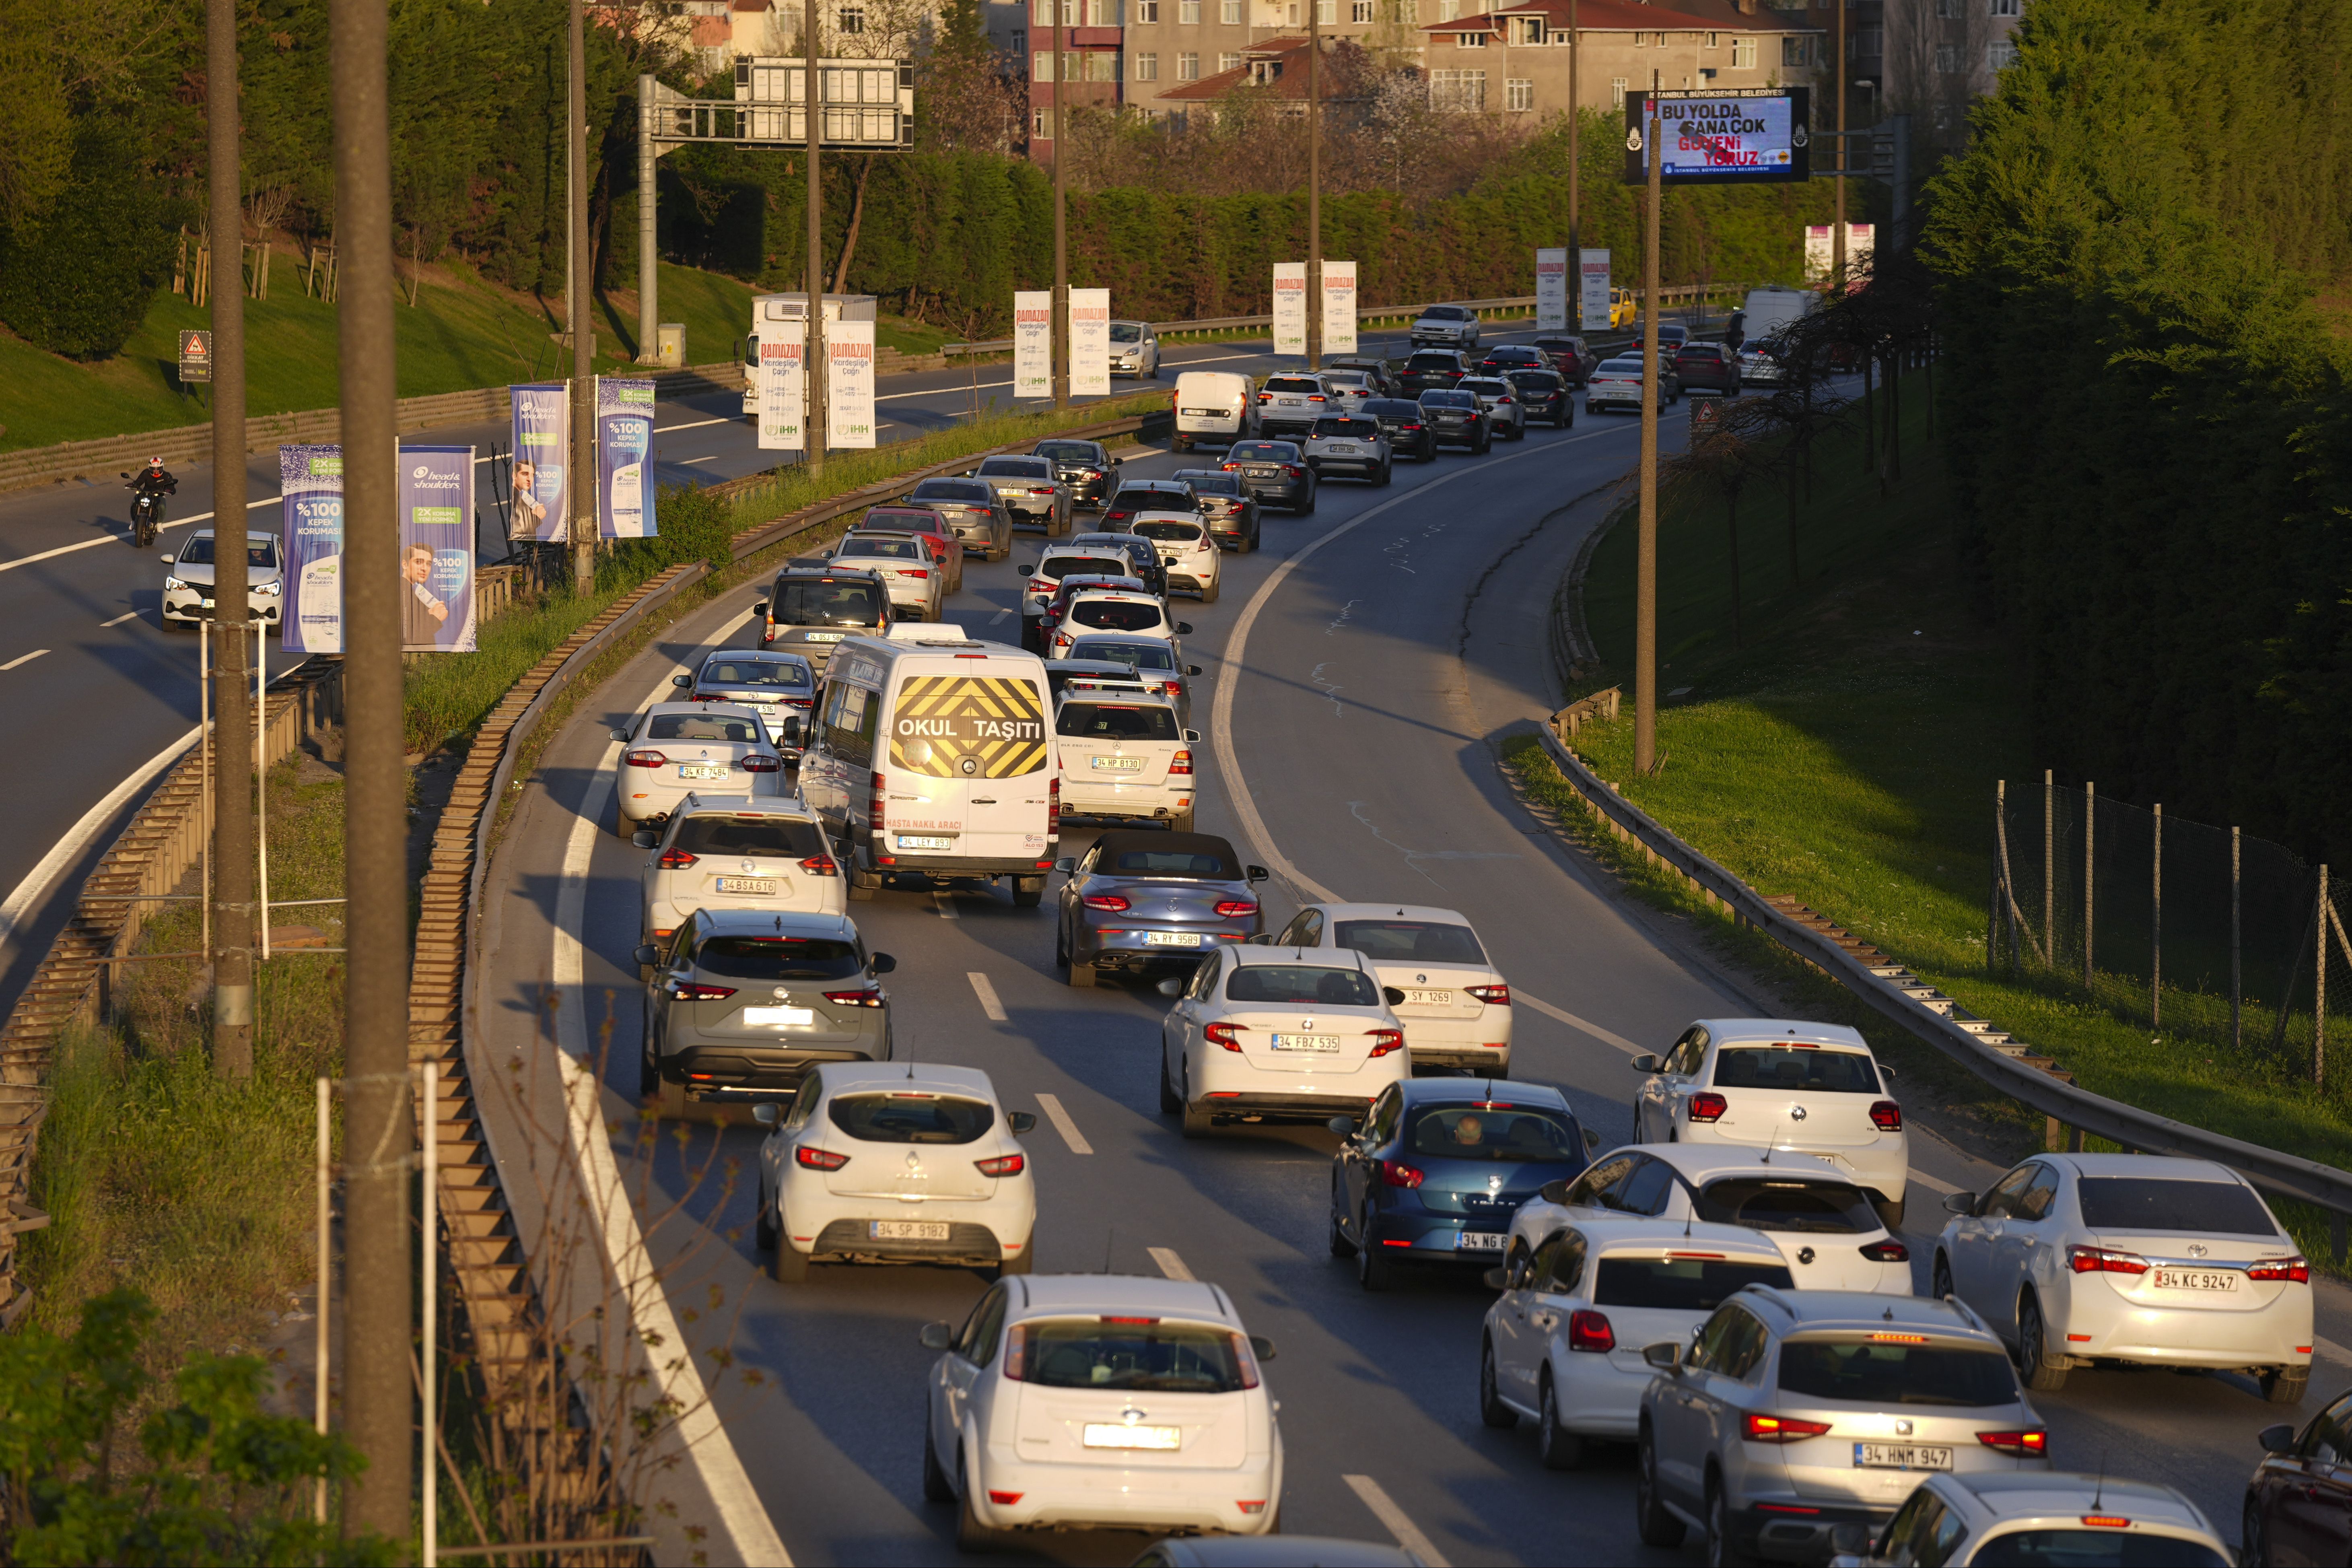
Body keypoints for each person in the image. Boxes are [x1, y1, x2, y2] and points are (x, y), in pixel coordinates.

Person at [401, 543, 450, 646]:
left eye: (429, 564)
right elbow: (406, 637)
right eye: (419, 562)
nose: (425, 568)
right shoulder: (402, 593)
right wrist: (435, 618)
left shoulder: (412, 592)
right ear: (405, 565)